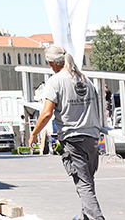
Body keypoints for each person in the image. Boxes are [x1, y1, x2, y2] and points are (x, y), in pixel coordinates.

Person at [29, 45, 106, 220]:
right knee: (87, 182)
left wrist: (34, 133)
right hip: (92, 137)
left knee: (83, 184)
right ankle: (85, 217)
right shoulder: (85, 79)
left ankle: (97, 218)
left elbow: (47, 113)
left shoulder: (55, 81)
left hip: (73, 139)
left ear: (52, 63)